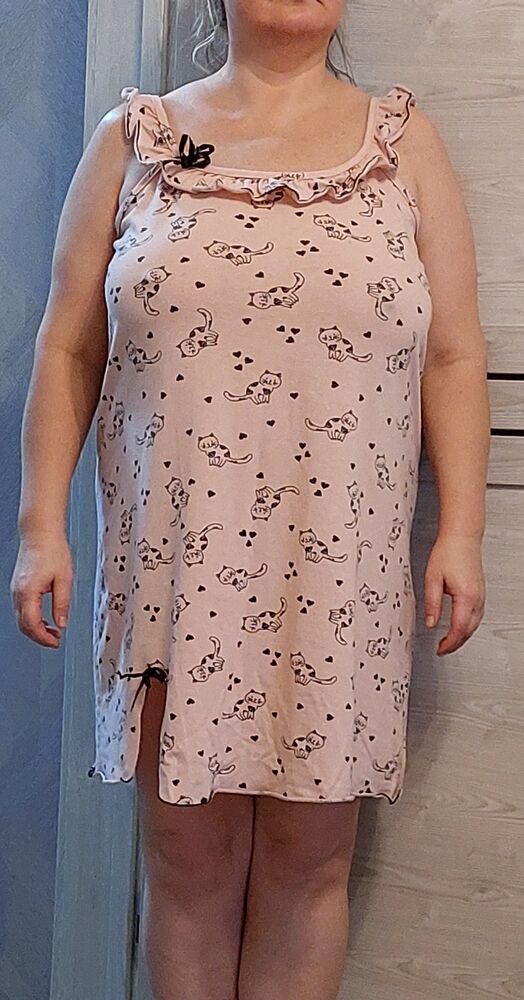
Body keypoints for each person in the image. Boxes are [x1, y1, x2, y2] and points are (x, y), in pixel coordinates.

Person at [10, 1, 490, 998]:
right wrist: (39, 527)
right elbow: (67, 346)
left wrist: (462, 532)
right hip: (174, 576)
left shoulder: (403, 145)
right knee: (187, 870)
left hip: (339, 580)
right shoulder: (135, 141)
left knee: (308, 868)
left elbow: (452, 354)